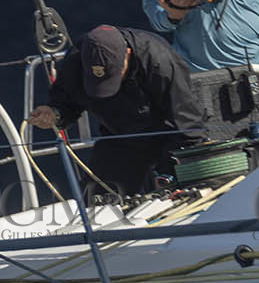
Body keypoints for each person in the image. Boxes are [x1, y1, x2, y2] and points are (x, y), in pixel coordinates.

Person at [28, 25, 207, 196]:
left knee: (171, 199)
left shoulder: (159, 59)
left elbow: (188, 124)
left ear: (127, 54)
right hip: (119, 138)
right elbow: (66, 101)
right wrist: (55, 114)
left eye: (112, 77)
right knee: (95, 200)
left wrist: (168, 172)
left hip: (168, 138)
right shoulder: (75, 60)